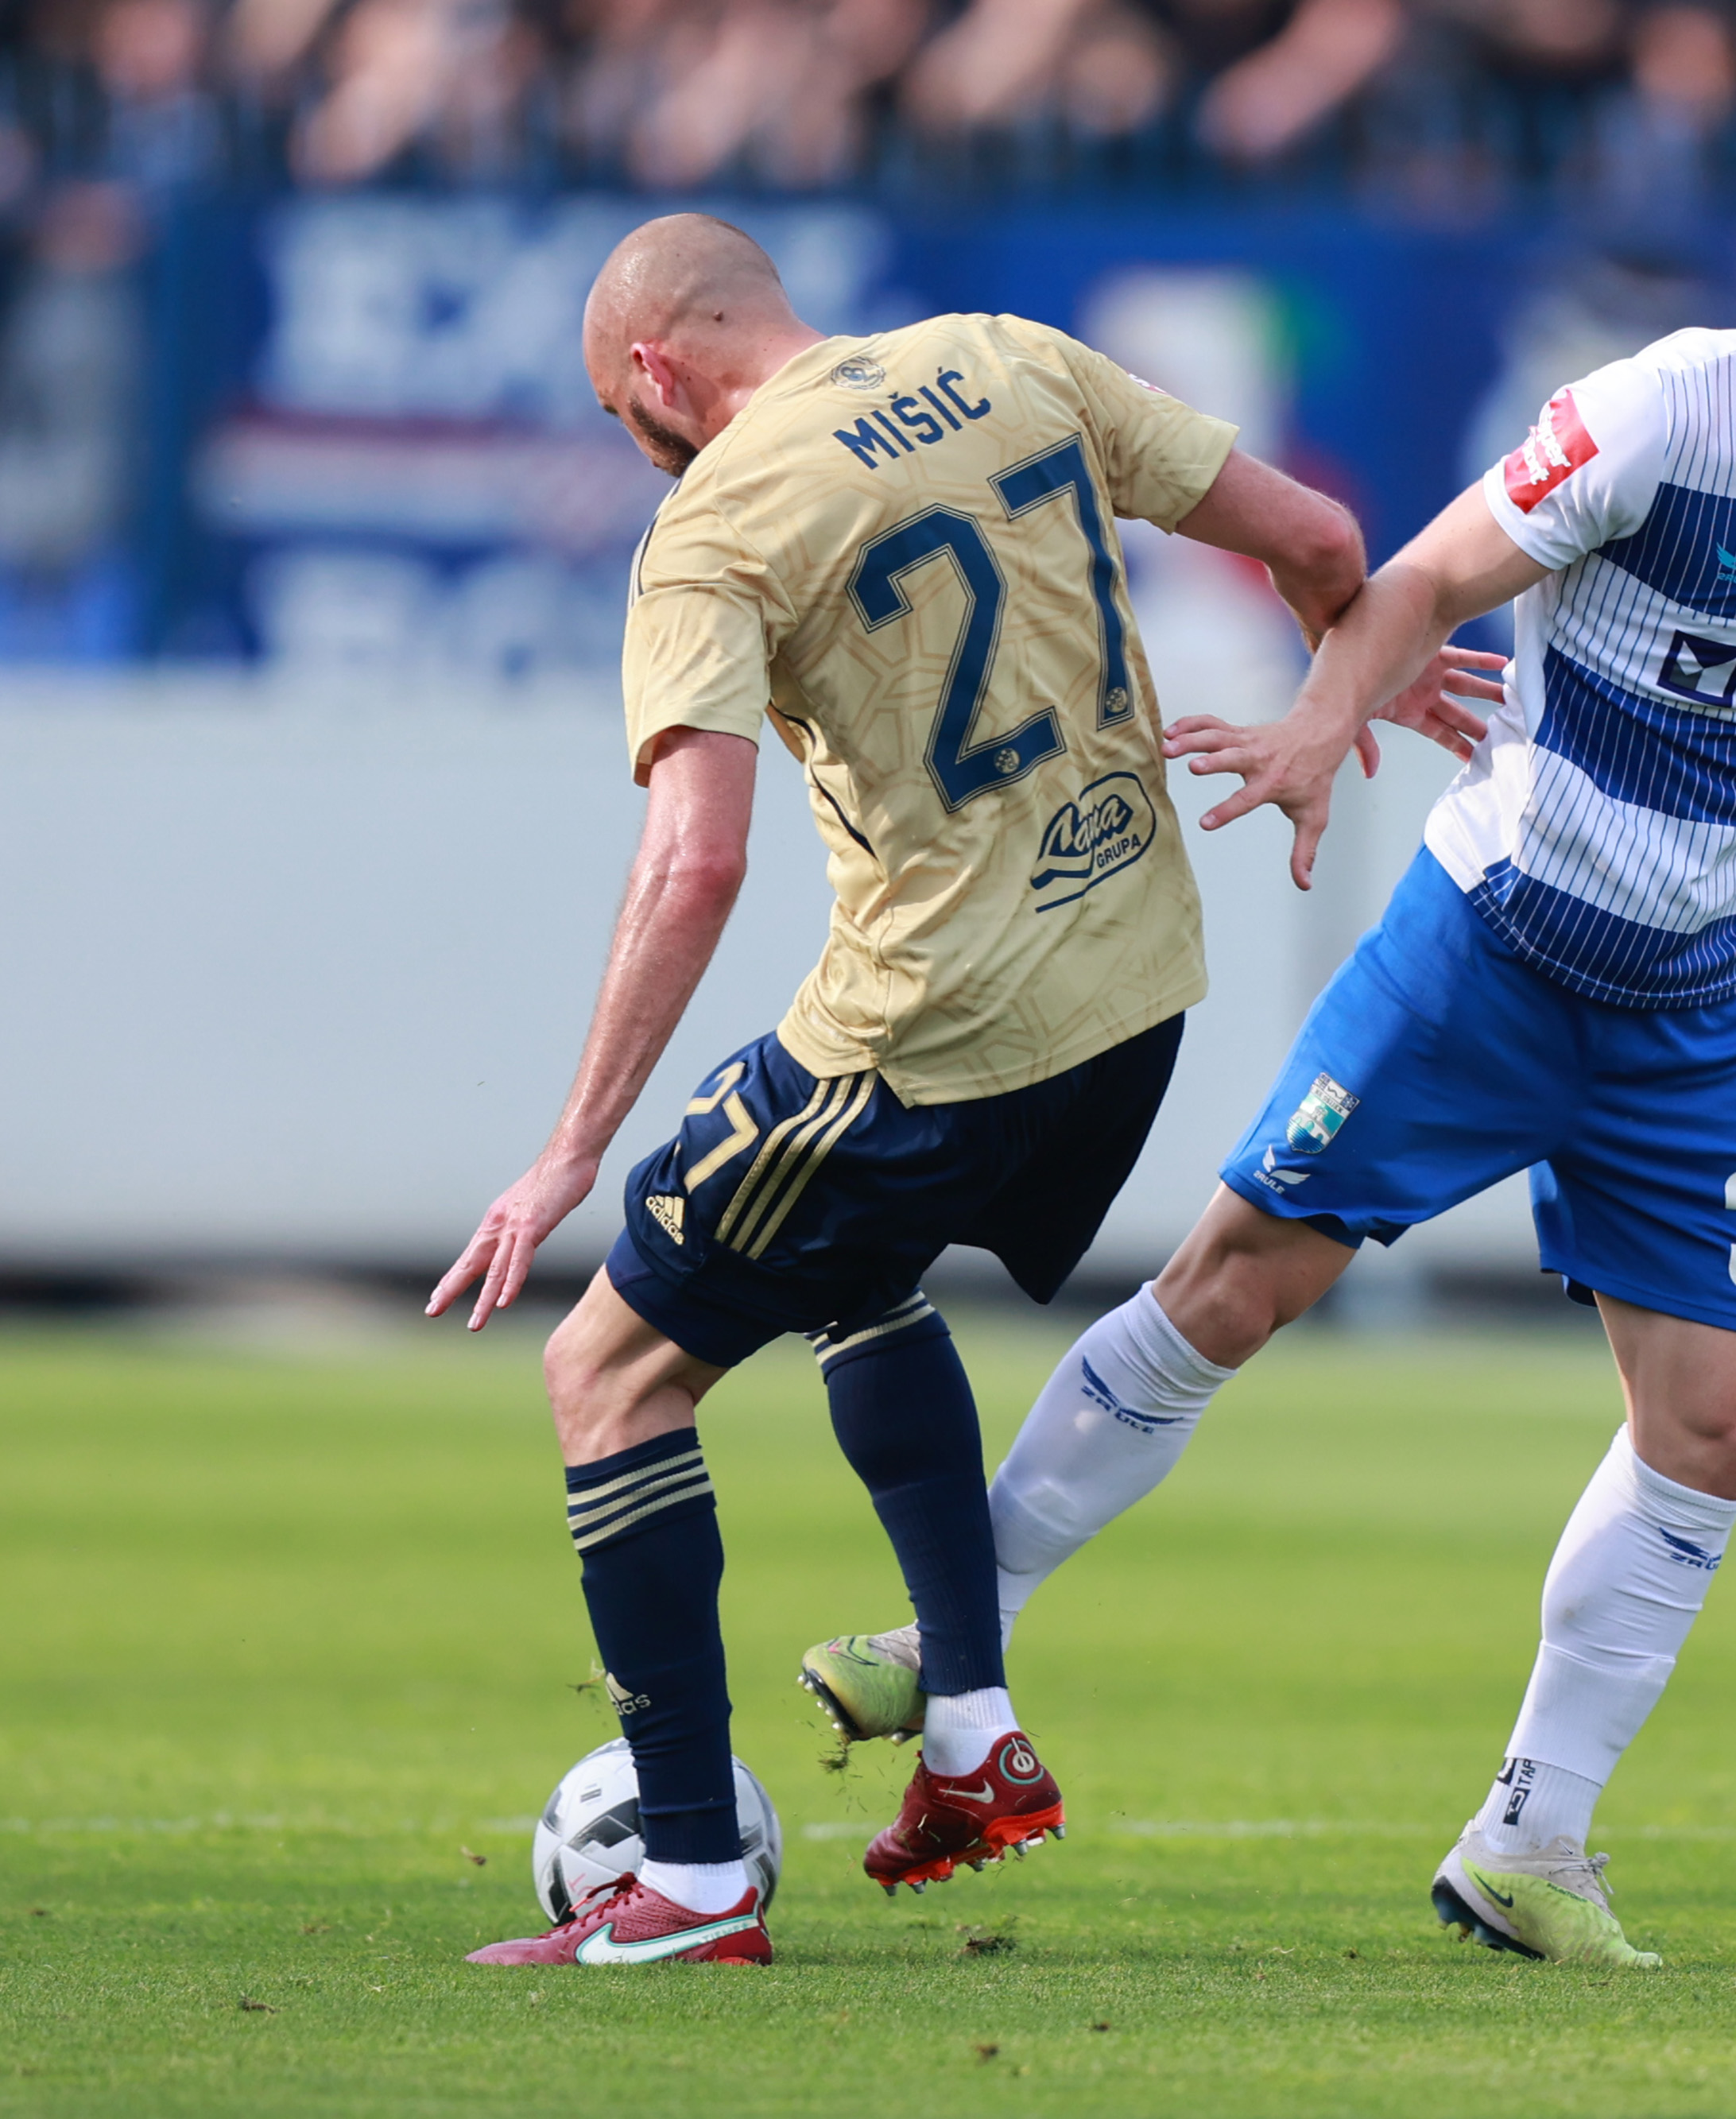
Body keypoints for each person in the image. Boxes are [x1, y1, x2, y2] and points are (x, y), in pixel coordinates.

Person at [801, 145, 1736, 1966]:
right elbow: (1423, 580)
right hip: (1494, 952)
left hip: (1700, 1004)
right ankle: (950, 1636)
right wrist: (1320, 723)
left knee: (1719, 1419)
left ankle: (1530, 1841)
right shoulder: (1653, 415)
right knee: (1233, 1288)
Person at [432, 212, 1490, 1968]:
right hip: (1132, 1000)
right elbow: (1320, 540)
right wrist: (1340, 694)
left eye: (631, 421)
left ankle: (688, 1880)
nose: (647, 453)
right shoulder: (1009, 355)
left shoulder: (714, 524)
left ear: (655, 374)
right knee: (850, 1266)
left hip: (936, 1035)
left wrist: (568, 1150)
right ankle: (970, 1727)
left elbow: (694, 861)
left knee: (603, 1370)